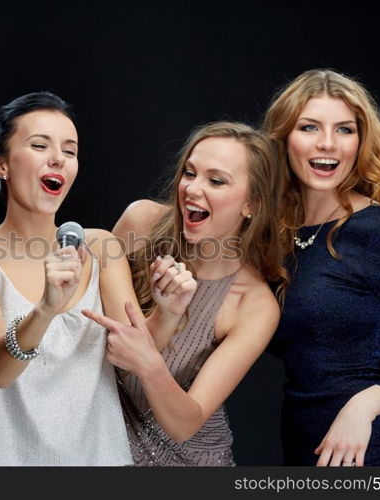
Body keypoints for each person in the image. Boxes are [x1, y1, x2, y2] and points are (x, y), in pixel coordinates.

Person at [0, 91, 194, 466]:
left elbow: (132, 357)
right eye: (39, 145)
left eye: (70, 150)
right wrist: (46, 309)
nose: (58, 159)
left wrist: (169, 312)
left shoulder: (100, 246)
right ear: (2, 164)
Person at [263, 68, 380, 466]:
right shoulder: (277, 234)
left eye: (344, 130)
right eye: (309, 127)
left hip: (368, 451)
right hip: (299, 448)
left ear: (361, 142)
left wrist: (363, 406)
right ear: (284, 138)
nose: (328, 143)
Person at [83, 121, 284, 466]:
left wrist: (150, 363)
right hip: (100, 448)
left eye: (216, 181)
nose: (192, 189)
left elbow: (186, 423)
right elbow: (85, 330)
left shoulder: (254, 305)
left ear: (251, 203)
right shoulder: (141, 223)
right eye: (189, 173)